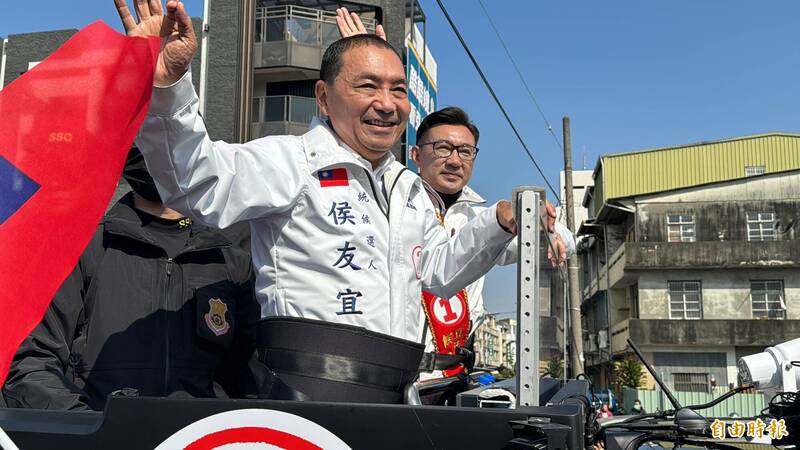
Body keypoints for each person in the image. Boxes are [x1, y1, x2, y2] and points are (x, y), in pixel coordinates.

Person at [115, 0, 519, 403]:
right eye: (367, 85)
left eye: (398, 88)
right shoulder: (291, 160)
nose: (387, 103)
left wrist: (497, 223)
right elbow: (198, 181)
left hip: (397, 398)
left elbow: (439, 271)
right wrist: (169, 85)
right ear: (324, 98)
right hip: (305, 394)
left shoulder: (407, 186)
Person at [2, 148, 257, 410]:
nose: (157, 150)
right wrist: (89, 426)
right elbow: (30, 363)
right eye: (144, 135)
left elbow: (253, 380)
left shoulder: (230, 260)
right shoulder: (81, 250)